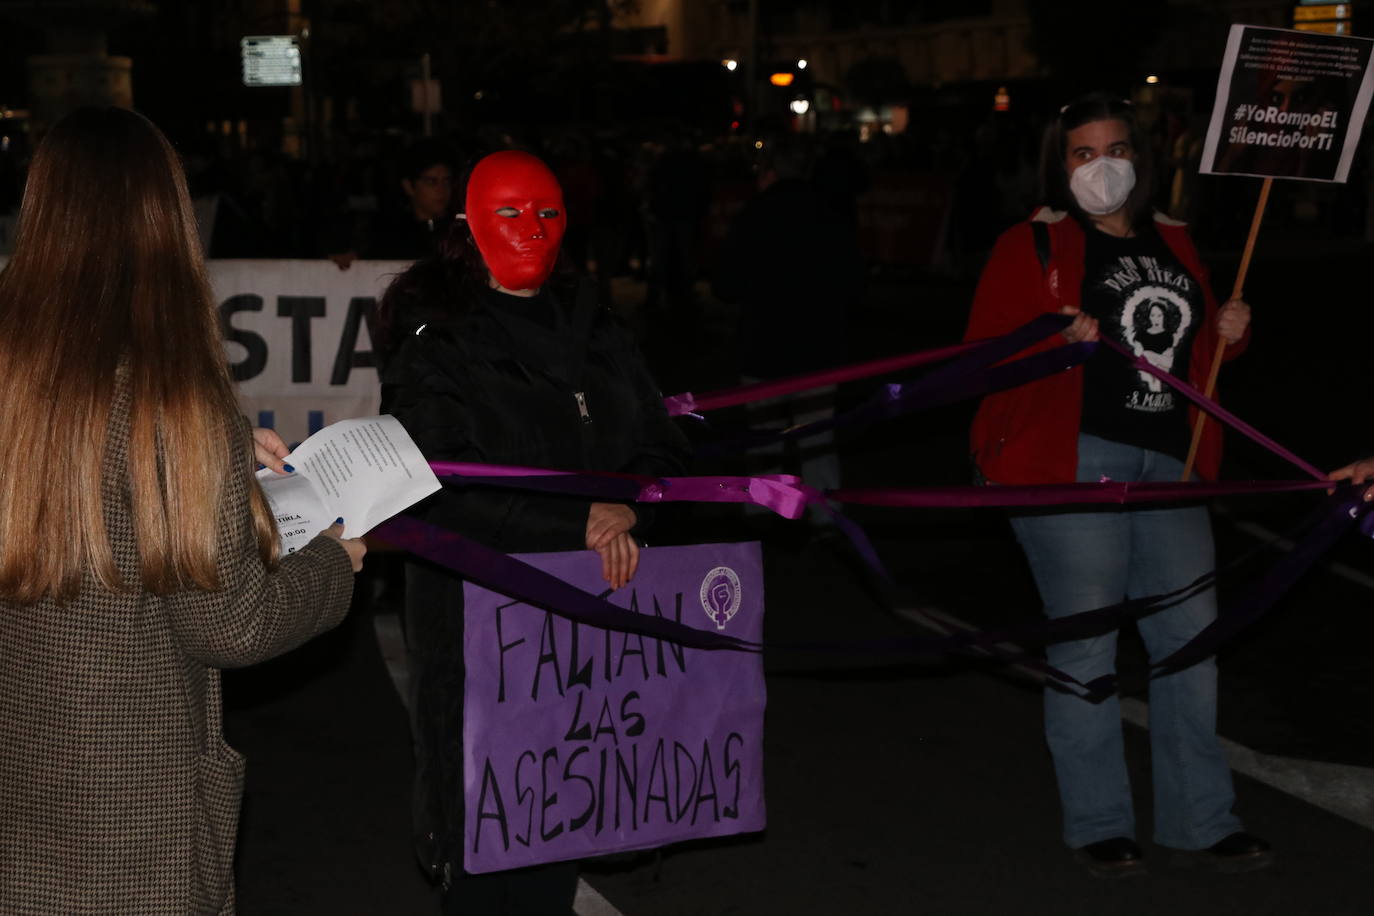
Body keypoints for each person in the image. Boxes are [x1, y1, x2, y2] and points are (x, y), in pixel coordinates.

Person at [0, 107, 365, 913]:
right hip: (130, 823)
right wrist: (331, 569)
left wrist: (229, 455)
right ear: (166, 219)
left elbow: (90, 483)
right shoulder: (172, 402)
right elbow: (228, 623)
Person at [375, 150, 689, 915]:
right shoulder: (439, 340)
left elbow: (662, 441)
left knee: (557, 830)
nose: (531, 229)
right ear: (470, 226)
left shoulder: (598, 327)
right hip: (484, 631)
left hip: (584, 634)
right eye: (509, 213)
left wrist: (631, 509)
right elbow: (435, 485)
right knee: (487, 846)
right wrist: (572, 522)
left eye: (547, 213)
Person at [964, 93, 1269, 877]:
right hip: (1069, 459)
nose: (1105, 166)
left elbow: (1189, 351)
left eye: (1118, 149)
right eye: (1083, 153)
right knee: (1087, 642)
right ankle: (1100, 819)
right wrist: (1051, 339)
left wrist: (1227, 337)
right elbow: (983, 357)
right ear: (1058, 167)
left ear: (1142, 156)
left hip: (1170, 459)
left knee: (1190, 647)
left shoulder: (1175, 239)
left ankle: (1201, 819)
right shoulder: (1030, 245)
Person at [330, 140, 457, 269]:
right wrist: (348, 260)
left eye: (447, 181)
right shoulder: (388, 235)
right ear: (409, 186)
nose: (441, 189)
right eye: (431, 182)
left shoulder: (459, 233)